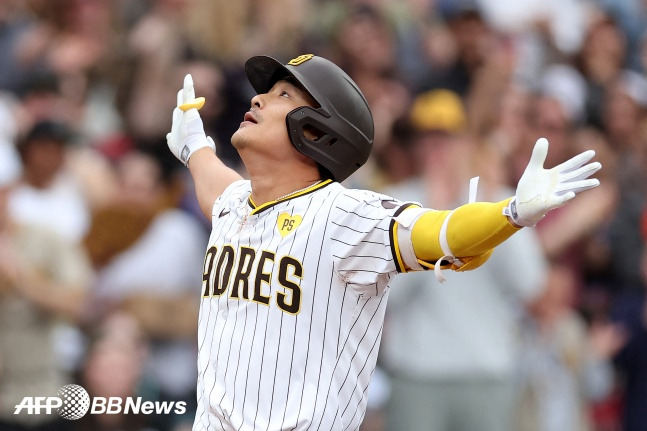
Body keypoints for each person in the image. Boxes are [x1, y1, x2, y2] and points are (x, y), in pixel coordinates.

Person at [164, 54, 601, 430]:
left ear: (315, 131)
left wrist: (509, 213)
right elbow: (212, 180)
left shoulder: (343, 215)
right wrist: (194, 145)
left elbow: (442, 233)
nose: (257, 98)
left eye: (283, 96)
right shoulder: (235, 203)